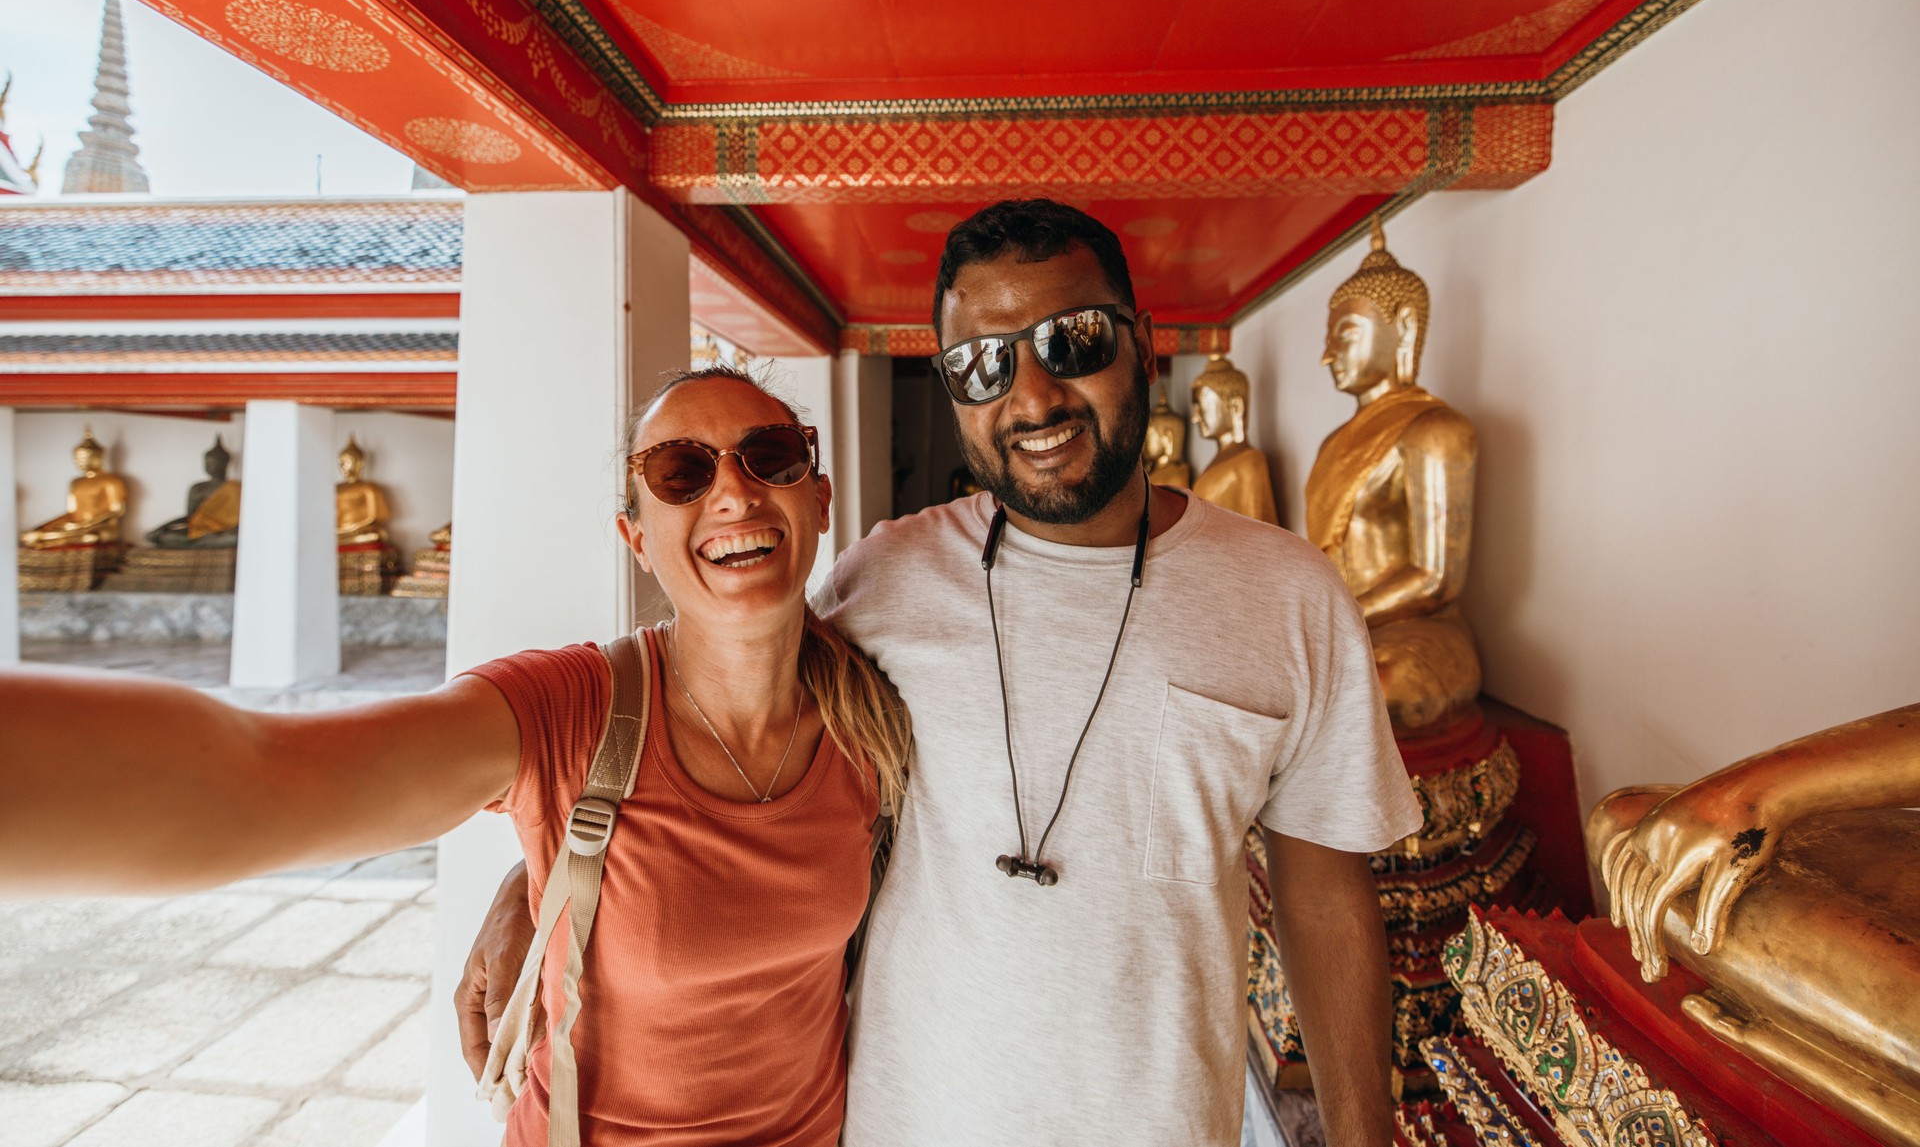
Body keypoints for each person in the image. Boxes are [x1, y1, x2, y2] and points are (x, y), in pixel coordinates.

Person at [467, 200, 1421, 1146]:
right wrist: (538, 881)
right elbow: (718, 723)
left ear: (1145, 344)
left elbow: (1324, 890)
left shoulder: (1288, 595)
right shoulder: (888, 577)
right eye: (983, 364)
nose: (1034, 394)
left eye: (1075, 340)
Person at [0, 368, 911, 1147]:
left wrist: (535, 882)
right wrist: (549, 864)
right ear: (636, 537)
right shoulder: (567, 711)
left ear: (819, 495)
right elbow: (257, 779)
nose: (735, 494)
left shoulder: (878, 710)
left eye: (772, 457)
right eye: (680, 472)